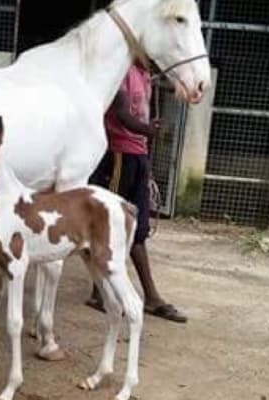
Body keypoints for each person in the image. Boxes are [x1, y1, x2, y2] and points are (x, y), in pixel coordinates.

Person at [86, 62, 187, 323]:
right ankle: (99, 292)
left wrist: (147, 136)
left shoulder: (145, 75)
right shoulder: (121, 71)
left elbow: (138, 118)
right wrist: (149, 130)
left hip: (138, 155)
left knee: (138, 229)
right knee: (111, 225)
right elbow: (120, 114)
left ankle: (150, 296)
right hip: (118, 155)